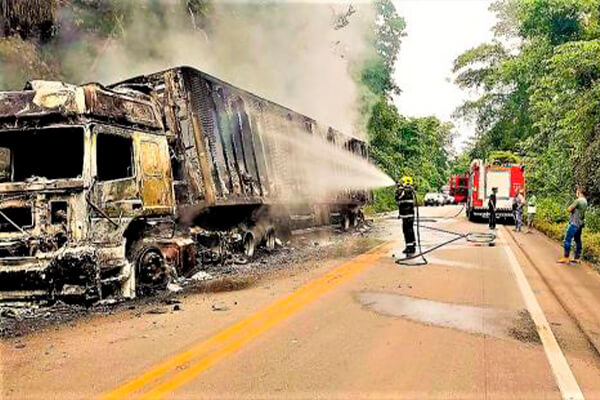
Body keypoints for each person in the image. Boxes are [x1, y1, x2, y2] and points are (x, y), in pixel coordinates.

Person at [558, 186, 588, 264]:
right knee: (578, 240)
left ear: (579, 192)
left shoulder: (578, 201)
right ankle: (577, 258)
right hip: (580, 224)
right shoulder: (585, 201)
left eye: (577, 191)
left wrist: (571, 207)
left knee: (567, 239)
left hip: (574, 223)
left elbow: (569, 209)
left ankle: (566, 257)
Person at [395, 176, 416, 256]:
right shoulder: (410, 190)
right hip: (409, 214)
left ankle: (409, 248)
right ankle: (412, 245)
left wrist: (398, 188)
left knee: (407, 231)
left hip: (406, 215)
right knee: (410, 230)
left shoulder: (404, 191)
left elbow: (397, 198)